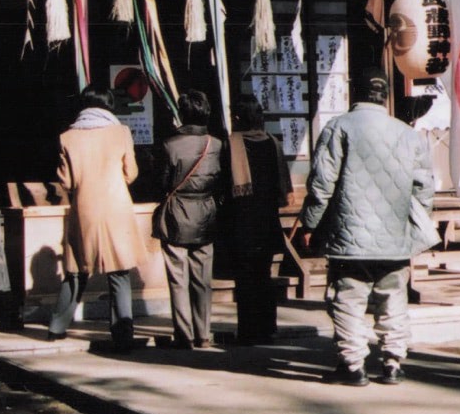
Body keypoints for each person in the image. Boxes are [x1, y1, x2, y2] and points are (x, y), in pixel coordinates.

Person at [298, 66, 433, 387]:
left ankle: (353, 364)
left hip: (350, 235)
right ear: (385, 97)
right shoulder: (406, 133)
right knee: (393, 297)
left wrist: (309, 223)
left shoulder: (338, 127)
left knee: (347, 299)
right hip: (395, 235)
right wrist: (414, 221)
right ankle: (393, 361)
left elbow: (322, 184)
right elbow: (424, 186)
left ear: (352, 92)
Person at [48, 84, 146, 351]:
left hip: (84, 208)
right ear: (108, 105)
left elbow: (66, 181)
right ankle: (123, 333)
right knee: (119, 271)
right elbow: (131, 173)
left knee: (76, 269)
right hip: (116, 208)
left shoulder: (67, 137)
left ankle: (57, 326)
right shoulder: (121, 132)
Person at [155, 90, 226, 350]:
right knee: (202, 278)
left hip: (177, 212)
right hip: (206, 212)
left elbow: (162, 181)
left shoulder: (170, 145)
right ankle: (203, 334)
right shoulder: (216, 144)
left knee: (177, 277)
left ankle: (183, 334)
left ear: (182, 113)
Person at [223, 97, 293, 346]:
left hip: (241, 220)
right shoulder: (272, 143)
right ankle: (268, 327)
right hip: (266, 219)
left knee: (245, 278)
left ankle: (248, 330)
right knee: (264, 276)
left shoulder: (231, 144)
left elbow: (223, 184)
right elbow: (283, 186)